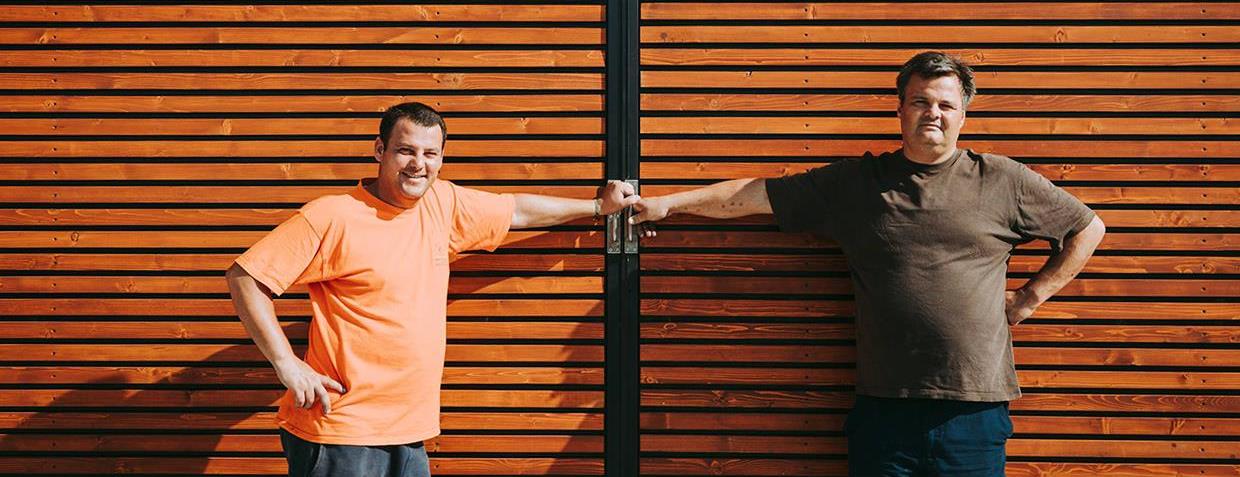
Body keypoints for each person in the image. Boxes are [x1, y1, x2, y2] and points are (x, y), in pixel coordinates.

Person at [630, 51, 1106, 476]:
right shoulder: (859, 183)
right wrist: (669, 204)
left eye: (945, 104)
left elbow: (1087, 228)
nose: (933, 113)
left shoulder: (1002, 179)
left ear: (964, 113)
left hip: (972, 411)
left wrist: (1029, 297)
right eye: (920, 101)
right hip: (884, 410)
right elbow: (757, 194)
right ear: (900, 109)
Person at [226, 102, 638, 477]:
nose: (417, 164)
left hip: (409, 433)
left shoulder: (442, 204)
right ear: (379, 151)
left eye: (430, 153)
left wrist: (596, 207)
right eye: (405, 150)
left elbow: (517, 209)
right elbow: (246, 276)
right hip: (343, 433)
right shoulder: (333, 216)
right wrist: (286, 363)